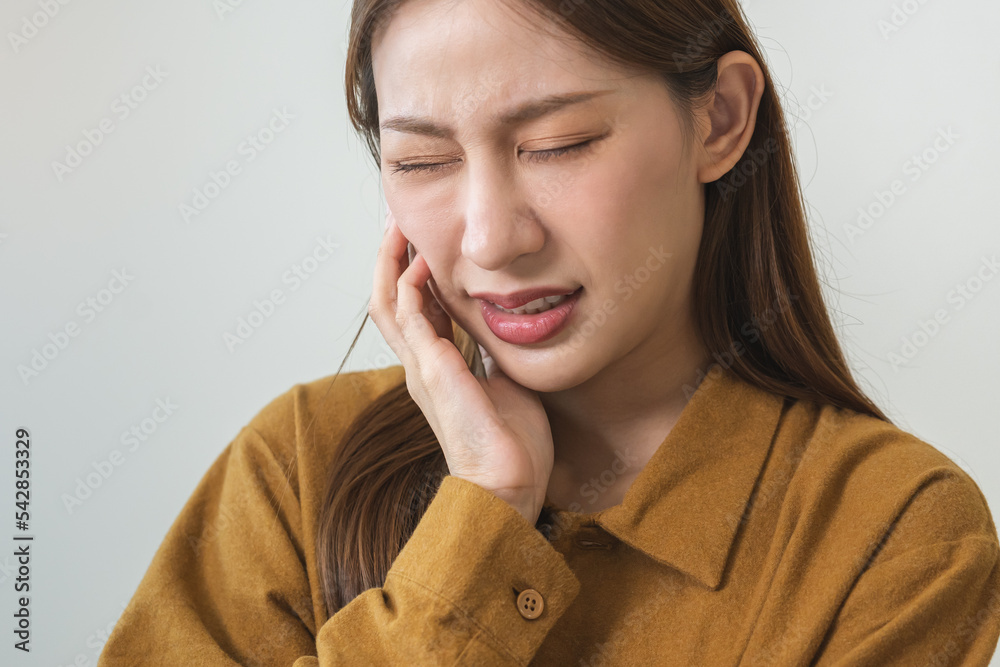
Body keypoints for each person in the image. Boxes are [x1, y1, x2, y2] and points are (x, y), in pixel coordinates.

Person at [99, 0, 1000, 664]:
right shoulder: (297, 465)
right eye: (422, 160)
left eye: (558, 143)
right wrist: (482, 515)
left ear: (720, 118)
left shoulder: (894, 533)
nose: (492, 239)